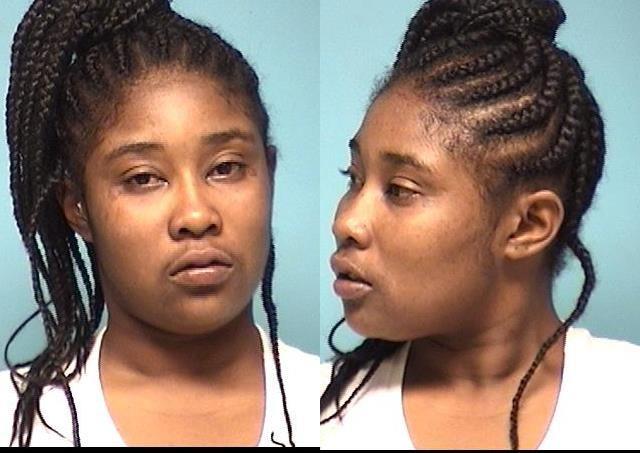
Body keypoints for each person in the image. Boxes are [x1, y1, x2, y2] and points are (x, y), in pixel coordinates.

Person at [320, 0, 640, 449]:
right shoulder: (315, 415)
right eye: (353, 178)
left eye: (400, 190)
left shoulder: (627, 404)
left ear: (527, 226)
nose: (346, 221)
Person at [0, 0, 318, 447]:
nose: (196, 216)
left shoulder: (331, 407)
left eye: (225, 168)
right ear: (77, 208)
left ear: (269, 173)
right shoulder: (12, 423)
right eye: (143, 178)